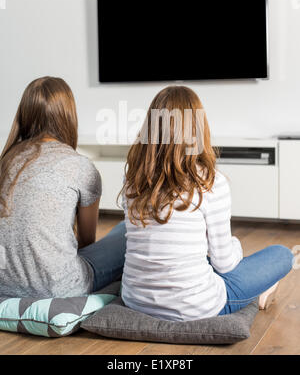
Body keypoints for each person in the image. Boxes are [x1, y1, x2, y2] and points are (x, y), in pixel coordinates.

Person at [120, 85, 293, 321]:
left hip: (134, 300)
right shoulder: (210, 182)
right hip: (196, 307)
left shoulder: (133, 178)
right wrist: (236, 245)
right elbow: (225, 265)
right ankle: (259, 290)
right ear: (198, 129)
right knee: (282, 254)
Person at [0, 76, 126, 298]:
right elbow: (87, 242)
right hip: (60, 288)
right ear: (67, 115)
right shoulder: (80, 167)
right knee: (125, 230)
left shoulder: (6, 162)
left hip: (4, 286)